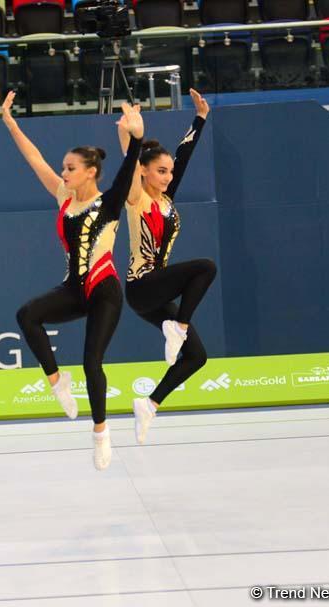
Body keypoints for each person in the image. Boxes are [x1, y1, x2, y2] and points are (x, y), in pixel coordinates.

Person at [3, 90, 145, 470]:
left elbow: (131, 165)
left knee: (91, 361)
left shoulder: (109, 202)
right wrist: (11, 124)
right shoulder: (64, 197)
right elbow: (33, 159)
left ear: (90, 172)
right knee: (27, 315)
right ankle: (55, 380)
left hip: (104, 291)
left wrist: (136, 136)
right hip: (73, 288)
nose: (63, 172)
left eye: (69, 168)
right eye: (64, 168)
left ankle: (100, 433)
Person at [119, 90, 217, 445]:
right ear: (143, 171)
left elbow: (183, 156)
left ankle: (149, 403)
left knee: (197, 356)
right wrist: (131, 135)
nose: (166, 176)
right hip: (142, 286)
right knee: (205, 267)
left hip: (158, 292)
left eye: (168, 173)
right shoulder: (137, 197)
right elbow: (128, 159)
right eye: (160, 171)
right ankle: (179, 326)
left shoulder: (164, 198)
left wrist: (200, 118)